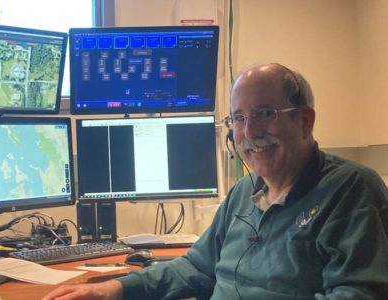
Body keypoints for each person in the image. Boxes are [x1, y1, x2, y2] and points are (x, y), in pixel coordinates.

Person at [42, 63, 388, 300]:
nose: (249, 132)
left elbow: (357, 295)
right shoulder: (245, 191)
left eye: (265, 113)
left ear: (304, 121)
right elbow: (195, 266)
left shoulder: (352, 190)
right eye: (238, 118)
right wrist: (116, 288)